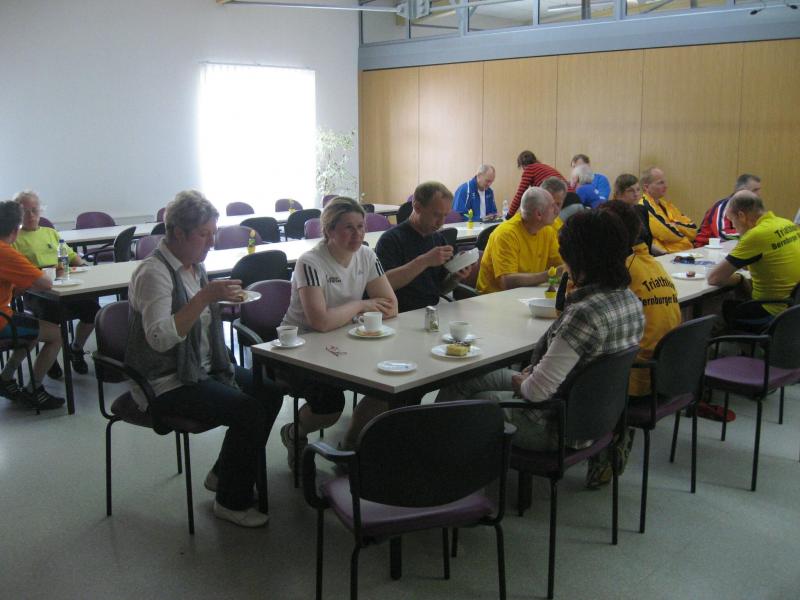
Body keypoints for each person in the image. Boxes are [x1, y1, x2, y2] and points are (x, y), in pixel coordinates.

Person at [127, 190, 284, 528]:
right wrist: (204, 298)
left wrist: (215, 301)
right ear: (177, 233)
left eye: (213, 233)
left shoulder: (192, 266)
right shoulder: (153, 273)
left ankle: (223, 474)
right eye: (204, 234)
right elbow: (159, 339)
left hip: (200, 367)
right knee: (248, 411)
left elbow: (200, 317)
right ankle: (230, 502)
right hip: (164, 380)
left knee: (269, 391)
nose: (212, 242)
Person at [437, 209, 644, 452]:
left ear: (577, 258)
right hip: (595, 417)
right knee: (464, 379)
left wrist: (524, 380)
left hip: (554, 425)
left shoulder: (584, 314)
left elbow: (536, 392)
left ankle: (439, 455)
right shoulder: (630, 300)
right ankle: (444, 448)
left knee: (468, 405)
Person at [279, 197, 398, 465]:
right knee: (330, 408)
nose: (358, 234)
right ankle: (294, 432)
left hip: (345, 340)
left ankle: (351, 447)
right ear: (329, 230)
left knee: (389, 385)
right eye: (348, 228)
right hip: (302, 347)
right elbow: (320, 322)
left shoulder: (367, 255)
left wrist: (351, 313)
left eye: (361, 227)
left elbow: (391, 306)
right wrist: (361, 305)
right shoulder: (310, 262)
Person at [584, 201, 682, 488]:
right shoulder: (652, 263)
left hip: (633, 377)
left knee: (566, 361)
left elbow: (581, 318)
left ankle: (599, 441)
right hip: (665, 372)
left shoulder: (620, 271)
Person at [12, 191, 98, 376]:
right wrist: (47, 272)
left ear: (41, 210)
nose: (31, 215)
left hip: (64, 285)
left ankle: (76, 348)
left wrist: (83, 265)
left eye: (34, 210)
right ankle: (50, 356)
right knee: (50, 315)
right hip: (36, 291)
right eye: (25, 211)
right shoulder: (14, 238)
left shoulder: (50, 232)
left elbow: (71, 255)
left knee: (93, 310)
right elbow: (20, 275)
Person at [0, 200, 65, 410]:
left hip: (5, 314)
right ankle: (34, 390)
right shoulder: (6, 252)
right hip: (1, 320)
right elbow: (45, 283)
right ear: (15, 230)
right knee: (56, 334)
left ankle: (6, 378)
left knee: (32, 327)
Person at [377, 181, 471, 313]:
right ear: (417, 207)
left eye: (445, 215)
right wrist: (425, 261)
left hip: (431, 312)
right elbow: (384, 285)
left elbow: (439, 289)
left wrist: (455, 277)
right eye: (436, 215)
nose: (441, 222)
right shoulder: (391, 240)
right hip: (400, 314)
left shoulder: (438, 239)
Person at [707, 191, 800, 323]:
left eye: (732, 220)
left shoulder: (757, 235)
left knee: (723, 307)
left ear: (741, 216)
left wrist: (739, 279)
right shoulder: (786, 223)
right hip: (793, 309)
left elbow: (714, 278)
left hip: (771, 311)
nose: (734, 227)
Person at [476, 187, 563, 294]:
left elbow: (560, 264)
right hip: (494, 297)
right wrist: (550, 275)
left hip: (528, 293)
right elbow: (507, 282)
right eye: (552, 206)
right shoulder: (506, 234)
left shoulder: (547, 230)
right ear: (539, 214)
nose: (557, 211)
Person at [639, 167, 697, 253]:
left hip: (684, 251)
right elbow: (667, 233)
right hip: (665, 255)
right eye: (660, 183)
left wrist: (675, 225)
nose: (666, 186)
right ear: (646, 187)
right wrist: (683, 234)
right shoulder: (644, 206)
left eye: (665, 182)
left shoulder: (666, 205)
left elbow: (693, 230)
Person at [694, 174, 762, 247]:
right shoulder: (723, 206)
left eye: (759, 189)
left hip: (732, 246)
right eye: (755, 190)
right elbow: (723, 234)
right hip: (706, 248)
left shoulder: (753, 207)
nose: (759, 194)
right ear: (741, 191)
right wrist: (755, 234)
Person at [507, 150, 566, 218]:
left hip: (563, 201)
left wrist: (509, 216)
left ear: (522, 165)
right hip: (573, 198)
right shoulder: (544, 167)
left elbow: (519, 195)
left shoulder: (530, 169)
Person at [613, 173, 654, 252]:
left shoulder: (642, 210)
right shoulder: (612, 215)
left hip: (645, 255)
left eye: (638, 190)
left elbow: (647, 242)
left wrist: (665, 253)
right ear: (618, 194)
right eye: (630, 191)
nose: (636, 194)